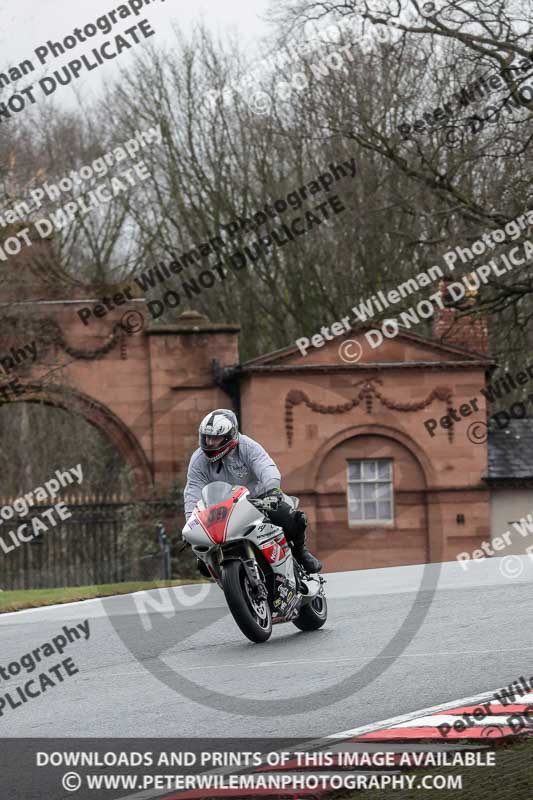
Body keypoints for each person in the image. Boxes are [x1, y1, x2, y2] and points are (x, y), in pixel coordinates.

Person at [183, 408, 322, 574]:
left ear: (230, 435)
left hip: (258, 498)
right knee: (203, 557)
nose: (210, 442)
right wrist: (191, 521)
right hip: (223, 509)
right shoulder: (198, 459)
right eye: (207, 437)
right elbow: (193, 490)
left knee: (293, 518)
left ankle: (300, 552)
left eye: (216, 438)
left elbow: (266, 467)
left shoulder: (248, 446)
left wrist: (272, 491)